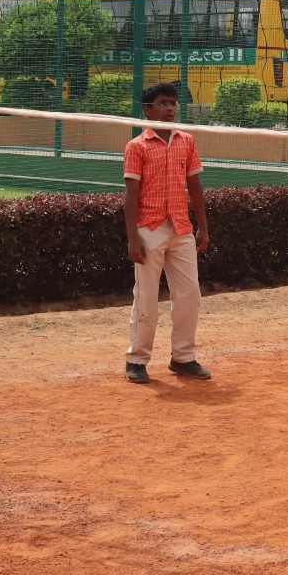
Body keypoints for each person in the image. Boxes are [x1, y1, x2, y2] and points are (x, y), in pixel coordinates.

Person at [122, 82, 211, 384]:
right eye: (162, 103)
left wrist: (203, 226)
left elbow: (195, 185)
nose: (170, 109)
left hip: (181, 228)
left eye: (173, 103)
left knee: (190, 295)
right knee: (145, 297)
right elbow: (130, 195)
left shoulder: (186, 140)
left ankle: (183, 357)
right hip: (149, 228)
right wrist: (133, 237)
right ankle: (137, 359)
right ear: (147, 110)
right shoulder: (137, 146)